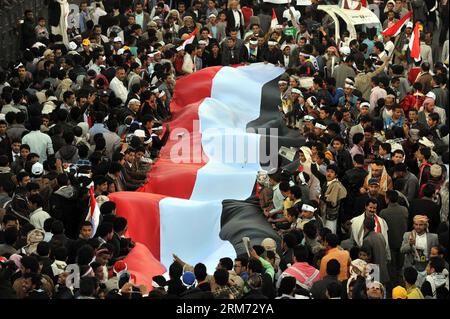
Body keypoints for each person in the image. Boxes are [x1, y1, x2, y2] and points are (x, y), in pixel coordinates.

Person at [400, 215, 439, 287]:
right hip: (412, 268)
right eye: (416, 224)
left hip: (426, 269)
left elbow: (436, 255)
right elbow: (402, 250)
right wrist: (410, 244)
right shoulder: (408, 235)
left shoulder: (433, 237)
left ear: (425, 226)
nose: (418, 227)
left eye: (420, 225)